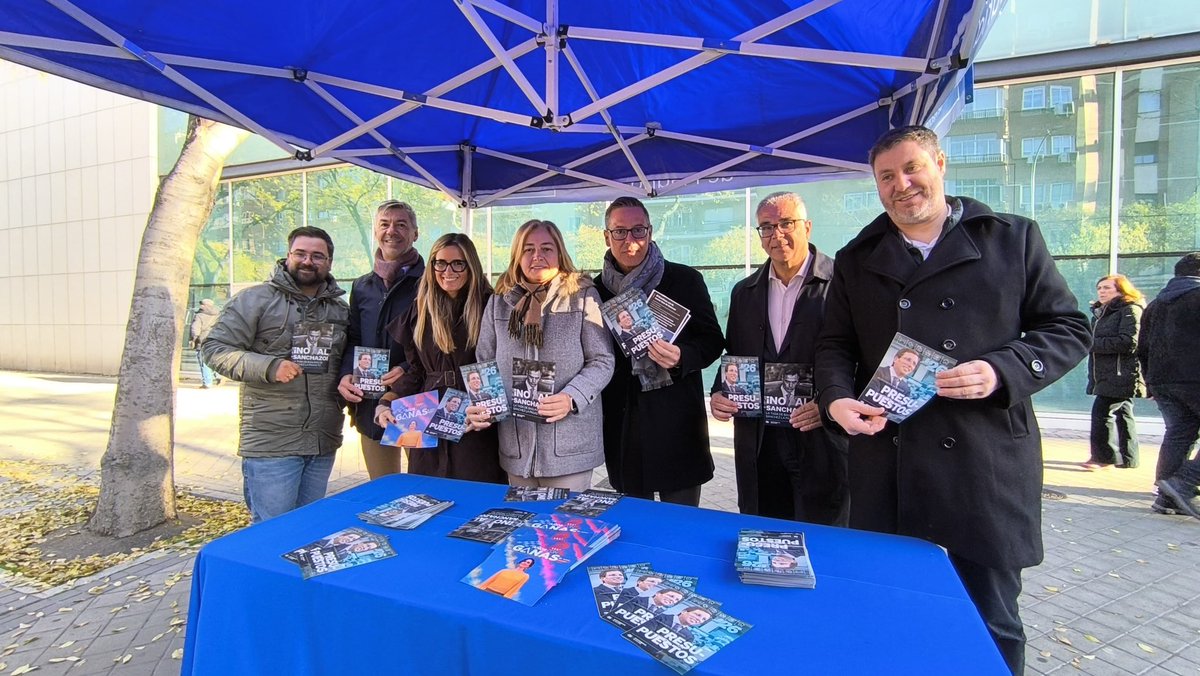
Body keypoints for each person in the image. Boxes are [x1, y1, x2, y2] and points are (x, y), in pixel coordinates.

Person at [814, 125, 1090, 674]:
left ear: (939, 163)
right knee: (892, 611)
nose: (901, 185)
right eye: (886, 176)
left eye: (911, 168)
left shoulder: (1012, 238)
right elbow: (834, 346)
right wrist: (836, 400)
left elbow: (1067, 327)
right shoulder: (855, 258)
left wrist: (1002, 369)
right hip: (889, 462)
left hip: (983, 463)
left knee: (991, 622)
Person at [710, 191, 849, 525]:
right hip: (760, 442)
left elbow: (861, 357)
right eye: (767, 227)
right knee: (762, 531)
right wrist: (719, 393)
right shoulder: (744, 292)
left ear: (807, 227)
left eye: (787, 223)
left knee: (823, 536)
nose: (777, 234)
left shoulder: (842, 284)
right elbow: (735, 355)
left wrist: (830, 403)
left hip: (820, 440)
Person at [202, 226, 350, 523]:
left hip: (323, 439)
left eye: (317, 256)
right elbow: (215, 349)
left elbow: (347, 361)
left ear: (329, 262)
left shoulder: (340, 310)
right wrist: (269, 367)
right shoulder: (254, 300)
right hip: (272, 442)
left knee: (307, 528)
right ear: (288, 255)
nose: (308, 261)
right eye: (301, 253)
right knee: (272, 532)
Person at [594, 197, 724, 506]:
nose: (630, 240)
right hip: (623, 426)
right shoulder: (595, 290)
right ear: (607, 237)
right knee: (633, 521)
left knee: (680, 524)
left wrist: (681, 356)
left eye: (638, 230)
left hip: (677, 423)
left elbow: (712, 341)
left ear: (650, 232)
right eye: (620, 231)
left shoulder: (685, 280)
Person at [471, 219, 615, 492]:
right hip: (517, 446)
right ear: (517, 255)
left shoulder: (583, 295)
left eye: (546, 248)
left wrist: (572, 397)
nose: (537, 256)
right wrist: (486, 405)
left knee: (563, 519)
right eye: (528, 249)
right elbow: (485, 362)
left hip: (568, 447)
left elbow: (602, 360)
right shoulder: (499, 301)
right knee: (524, 519)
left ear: (559, 252)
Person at [376, 234, 504, 484]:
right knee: (427, 490)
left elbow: (503, 369)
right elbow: (416, 371)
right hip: (428, 416)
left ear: (471, 266)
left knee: (477, 490)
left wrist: (489, 411)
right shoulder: (420, 309)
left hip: (476, 421)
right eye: (441, 263)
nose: (448, 271)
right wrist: (386, 402)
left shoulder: (491, 306)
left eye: (458, 264)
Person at [338, 200, 425, 479]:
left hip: (415, 400)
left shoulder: (430, 283)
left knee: (423, 487)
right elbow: (354, 337)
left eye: (401, 225)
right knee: (383, 487)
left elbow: (443, 343)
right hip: (370, 401)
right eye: (385, 224)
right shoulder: (362, 286)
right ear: (375, 231)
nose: (392, 231)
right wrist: (346, 373)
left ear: (415, 233)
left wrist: (407, 369)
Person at [1139, 253, 1200, 518]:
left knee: (1179, 433)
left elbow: (1142, 346)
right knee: (1179, 433)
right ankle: (1183, 483)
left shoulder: (1155, 305)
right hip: (1195, 378)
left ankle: (1166, 498)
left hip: (1162, 381)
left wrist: (1150, 382)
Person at [1082, 274, 1146, 470]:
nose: (1101, 291)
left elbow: (1130, 342)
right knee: (1124, 413)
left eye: (1107, 288)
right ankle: (1128, 458)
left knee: (1102, 413)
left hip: (1122, 373)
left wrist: (1091, 344)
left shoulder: (1130, 310)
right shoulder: (1101, 314)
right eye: (1099, 288)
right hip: (1105, 373)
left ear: (1121, 290)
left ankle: (1104, 458)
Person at [190, 298, 220, 388]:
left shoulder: (199, 316)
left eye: (202, 304)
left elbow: (195, 329)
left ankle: (207, 383)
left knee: (204, 362)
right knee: (213, 360)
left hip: (203, 341)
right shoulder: (218, 315)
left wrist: (194, 339)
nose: (200, 306)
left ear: (205, 306)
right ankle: (218, 376)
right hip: (215, 340)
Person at [645, 606, 712, 642]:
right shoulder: (659, 616)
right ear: (684, 612)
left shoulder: (689, 636)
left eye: (703, 619)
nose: (699, 619)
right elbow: (644, 632)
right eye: (698, 615)